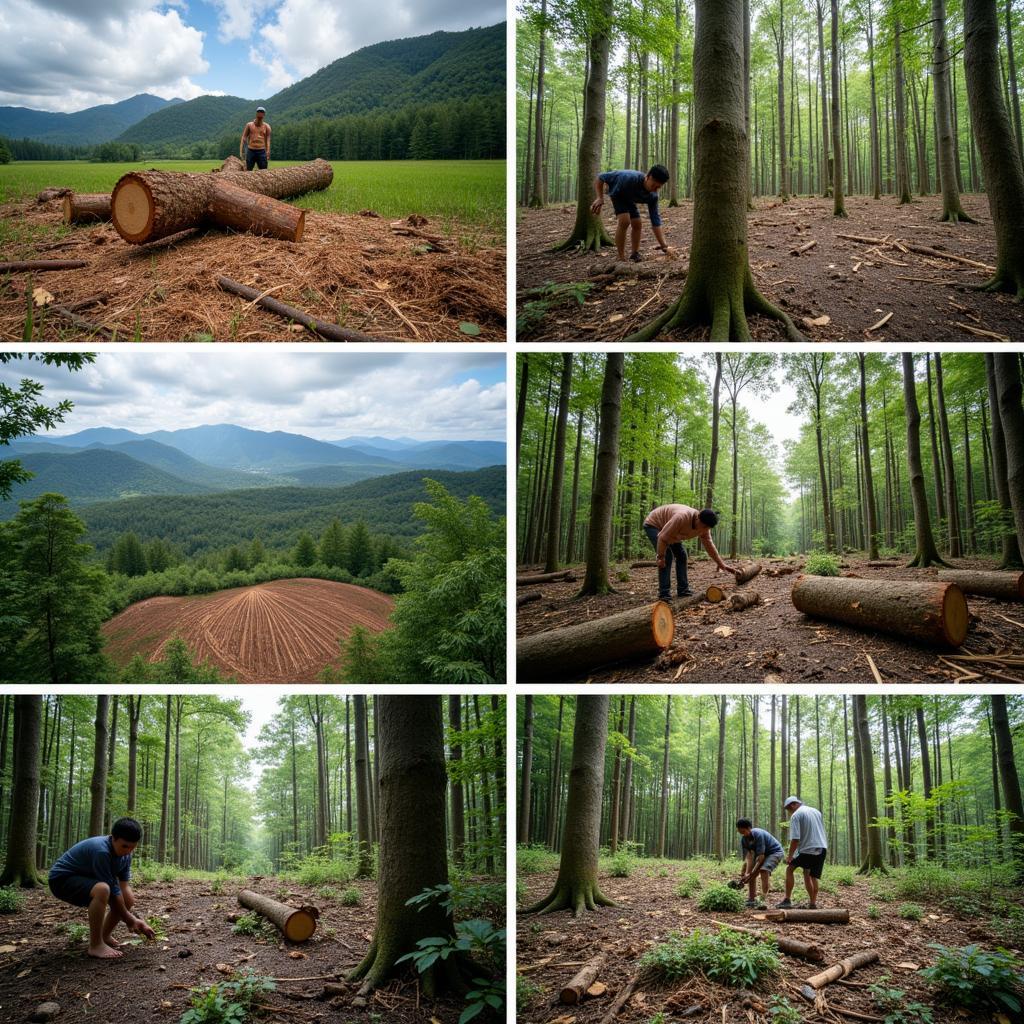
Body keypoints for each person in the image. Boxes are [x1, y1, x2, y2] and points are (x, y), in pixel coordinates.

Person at [49, 816, 156, 959]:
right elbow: (112, 890)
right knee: (103, 889)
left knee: (127, 898)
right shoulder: (102, 851)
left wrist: (131, 911)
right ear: (113, 838)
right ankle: (95, 945)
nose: (128, 850)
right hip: (61, 881)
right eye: (124, 846)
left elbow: (123, 886)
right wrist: (130, 920)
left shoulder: (126, 855)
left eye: (133, 847)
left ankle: (104, 936)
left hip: (86, 880)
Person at [642, 504, 738, 599]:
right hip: (654, 524)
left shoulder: (704, 527)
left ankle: (683, 590)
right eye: (704, 526)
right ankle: (664, 594)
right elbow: (662, 538)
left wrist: (721, 564)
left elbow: (709, 545)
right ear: (697, 518)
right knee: (667, 557)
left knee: (682, 556)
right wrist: (660, 557)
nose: (704, 530)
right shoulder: (681, 518)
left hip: (672, 531)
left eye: (707, 528)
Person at [591, 165, 675, 263]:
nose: (655, 189)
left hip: (630, 198)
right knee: (624, 221)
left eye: (658, 187)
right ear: (648, 177)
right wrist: (599, 197)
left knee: (637, 223)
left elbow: (655, 220)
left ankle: (635, 253)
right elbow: (600, 177)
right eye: (653, 185)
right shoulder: (629, 177)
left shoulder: (653, 196)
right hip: (619, 192)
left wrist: (664, 246)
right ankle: (620, 257)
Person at [778, 796, 828, 910]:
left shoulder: (796, 815)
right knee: (811, 875)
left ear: (792, 805)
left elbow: (795, 838)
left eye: (788, 809)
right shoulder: (816, 811)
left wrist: (790, 856)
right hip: (822, 848)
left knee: (790, 869)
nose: (789, 812)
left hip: (807, 849)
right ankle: (813, 903)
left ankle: (787, 899)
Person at [736, 818, 784, 908]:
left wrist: (752, 872)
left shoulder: (758, 834)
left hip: (774, 852)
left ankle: (763, 899)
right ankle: (751, 899)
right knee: (750, 875)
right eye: (740, 832)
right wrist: (747, 873)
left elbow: (761, 857)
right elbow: (749, 856)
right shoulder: (744, 840)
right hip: (762, 855)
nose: (743, 834)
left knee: (764, 870)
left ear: (749, 828)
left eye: (743, 831)